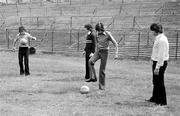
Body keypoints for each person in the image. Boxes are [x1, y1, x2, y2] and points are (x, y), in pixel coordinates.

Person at [88, 22, 118, 90]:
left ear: (102, 29)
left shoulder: (108, 34)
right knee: (90, 61)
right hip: (98, 51)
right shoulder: (96, 33)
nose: (98, 32)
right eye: (97, 30)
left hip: (105, 52)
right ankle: (94, 77)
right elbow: (97, 43)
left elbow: (116, 44)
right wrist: (93, 52)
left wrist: (116, 54)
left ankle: (102, 87)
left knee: (102, 70)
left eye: (99, 30)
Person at [146, 23, 169, 106]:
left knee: (160, 82)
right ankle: (155, 98)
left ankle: (162, 101)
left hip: (160, 63)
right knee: (155, 81)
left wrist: (158, 67)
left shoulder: (162, 40)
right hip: (156, 62)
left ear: (156, 31)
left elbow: (161, 55)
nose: (152, 33)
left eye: (153, 31)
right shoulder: (158, 38)